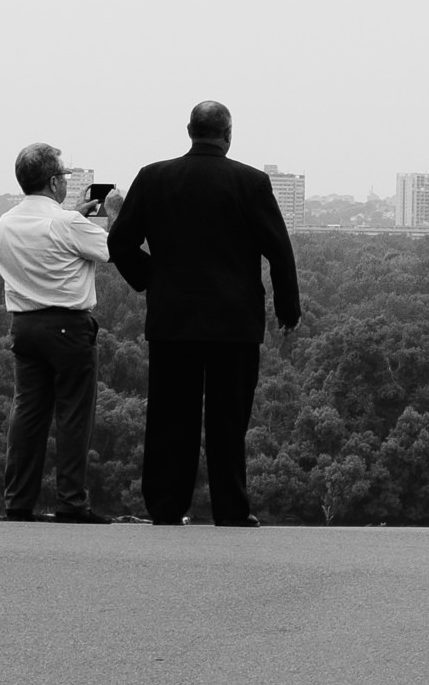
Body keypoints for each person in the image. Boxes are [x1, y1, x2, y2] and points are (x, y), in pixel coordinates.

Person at [107, 101, 300, 527]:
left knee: (169, 416)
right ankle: (231, 509)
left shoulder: (153, 178)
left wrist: (152, 280)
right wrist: (288, 310)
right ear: (228, 134)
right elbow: (279, 253)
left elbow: (119, 243)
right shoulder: (251, 182)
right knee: (229, 419)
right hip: (235, 322)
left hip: (173, 319)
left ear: (189, 130)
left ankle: (165, 506)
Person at [0, 143, 120, 524]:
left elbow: (54, 231)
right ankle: (70, 502)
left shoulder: (7, 221)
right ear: (53, 181)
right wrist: (112, 213)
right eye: (64, 176)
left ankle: (18, 502)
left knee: (28, 414)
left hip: (25, 326)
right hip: (68, 328)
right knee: (73, 415)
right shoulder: (67, 223)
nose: (67, 181)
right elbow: (114, 249)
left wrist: (72, 216)